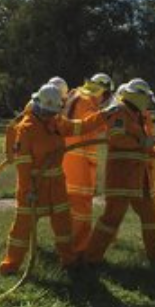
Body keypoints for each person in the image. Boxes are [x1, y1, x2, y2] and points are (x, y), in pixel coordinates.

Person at [0, 82, 106, 275]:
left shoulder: (56, 122)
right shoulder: (26, 129)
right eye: (48, 112)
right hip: (33, 188)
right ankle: (10, 266)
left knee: (64, 227)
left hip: (56, 187)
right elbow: (23, 167)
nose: (50, 115)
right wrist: (29, 191)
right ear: (38, 106)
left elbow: (80, 127)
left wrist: (105, 114)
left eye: (53, 112)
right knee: (22, 230)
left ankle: (69, 262)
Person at [84, 78, 155, 265]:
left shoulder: (136, 115)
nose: (148, 104)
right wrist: (143, 143)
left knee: (151, 217)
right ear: (138, 96)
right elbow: (117, 138)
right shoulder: (119, 112)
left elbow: (145, 146)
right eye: (146, 99)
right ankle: (90, 259)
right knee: (111, 219)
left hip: (139, 179)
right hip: (121, 178)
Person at [62, 72, 113, 253]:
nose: (104, 102)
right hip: (78, 163)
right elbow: (89, 125)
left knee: (65, 208)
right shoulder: (86, 101)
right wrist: (110, 115)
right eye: (106, 97)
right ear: (103, 92)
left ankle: (66, 246)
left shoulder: (75, 94)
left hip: (65, 159)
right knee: (81, 208)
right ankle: (77, 250)